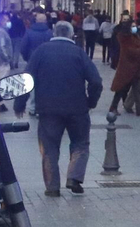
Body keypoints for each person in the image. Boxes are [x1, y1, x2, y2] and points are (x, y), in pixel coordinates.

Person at [28, 21, 102, 196]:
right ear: (71, 35)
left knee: (49, 148)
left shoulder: (41, 51)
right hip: (77, 108)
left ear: (54, 33)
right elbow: (96, 81)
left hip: (48, 109)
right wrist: (91, 102)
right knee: (80, 143)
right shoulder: (79, 53)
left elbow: (27, 77)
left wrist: (19, 103)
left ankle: (52, 187)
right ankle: (74, 177)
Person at [106, 16, 140, 122]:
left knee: (135, 89)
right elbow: (133, 52)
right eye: (133, 26)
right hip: (127, 67)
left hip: (135, 67)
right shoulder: (125, 39)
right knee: (121, 89)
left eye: (135, 26)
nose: (135, 28)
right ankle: (114, 107)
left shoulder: (135, 36)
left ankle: (138, 109)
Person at [16, 13, 53, 116]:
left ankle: (32, 107)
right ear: (45, 21)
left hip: (32, 61)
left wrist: (27, 58)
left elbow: (23, 48)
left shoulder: (29, 32)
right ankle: (42, 106)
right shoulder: (49, 33)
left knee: (32, 84)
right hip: (47, 62)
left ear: (36, 21)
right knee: (44, 84)